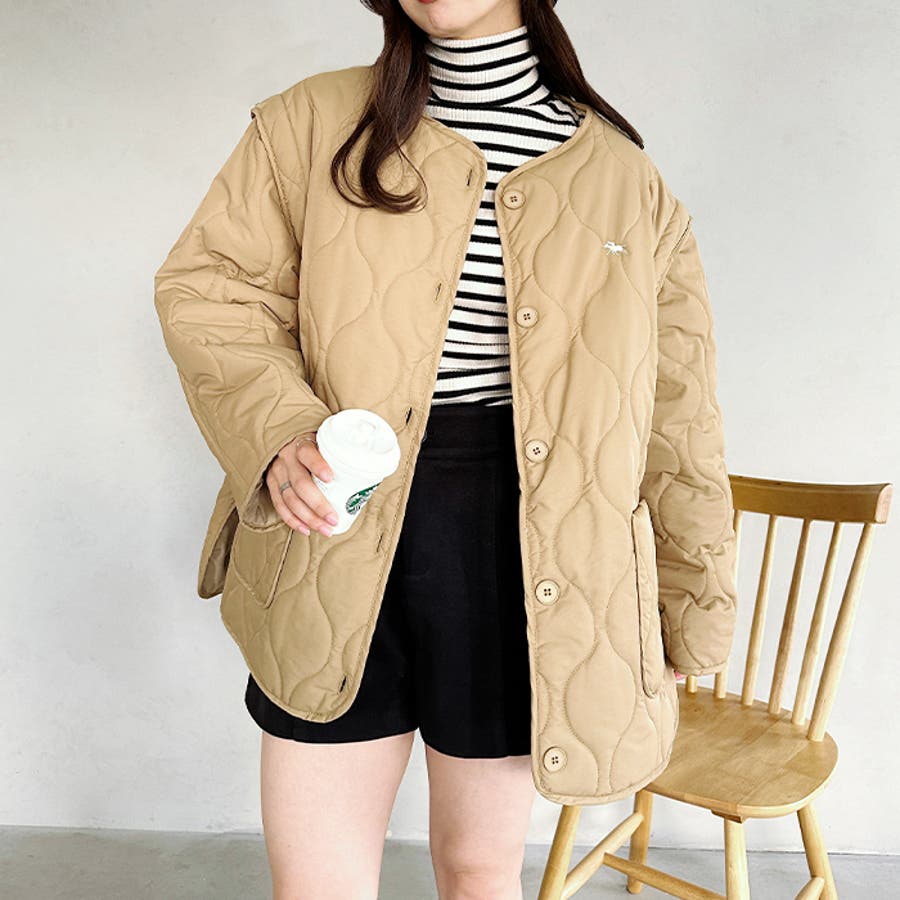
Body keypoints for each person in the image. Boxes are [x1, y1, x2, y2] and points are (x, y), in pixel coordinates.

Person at [154, 1, 731, 897]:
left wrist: (694, 603)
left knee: (478, 874)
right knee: (317, 884)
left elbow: (678, 413)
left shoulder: (626, 180)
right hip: (334, 522)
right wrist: (279, 431)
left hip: (532, 557)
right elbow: (211, 290)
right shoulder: (310, 122)